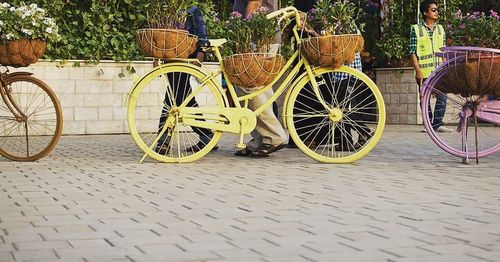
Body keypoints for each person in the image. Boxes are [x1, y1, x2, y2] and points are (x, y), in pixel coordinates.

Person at [156, 6, 218, 154]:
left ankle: (163, 141)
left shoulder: (192, 9)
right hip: (170, 59)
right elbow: (159, 35)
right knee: (184, 99)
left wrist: (200, 55)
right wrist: (157, 56)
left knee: (173, 99)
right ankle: (206, 135)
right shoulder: (164, 9)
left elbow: (201, 34)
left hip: (186, 59)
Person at [232, 0, 288, 157]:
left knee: (252, 88)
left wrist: (244, 33)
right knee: (254, 88)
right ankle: (261, 140)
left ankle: (274, 136)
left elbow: (255, 2)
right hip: (262, 34)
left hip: (260, 35)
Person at [410, 0, 453, 132]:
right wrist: (418, 70)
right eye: (433, 10)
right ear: (425, 12)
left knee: (442, 96)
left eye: (436, 10)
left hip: (439, 70)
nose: (436, 12)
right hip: (423, 70)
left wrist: (446, 67)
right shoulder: (416, 29)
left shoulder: (440, 29)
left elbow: (444, 50)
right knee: (425, 98)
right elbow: (412, 52)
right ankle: (427, 125)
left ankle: (437, 123)